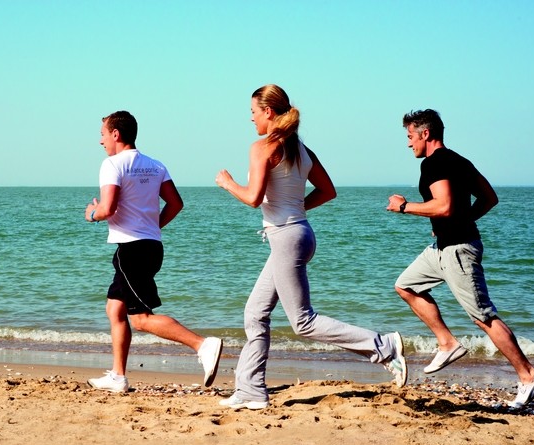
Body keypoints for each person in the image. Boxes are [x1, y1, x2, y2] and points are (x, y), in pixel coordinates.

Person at [214, 84, 407, 410]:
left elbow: (251, 198)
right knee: (255, 313)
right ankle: (251, 391)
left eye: (253, 112)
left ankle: (383, 345)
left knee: (302, 322)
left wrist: (227, 182)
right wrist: (295, 209)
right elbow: (327, 191)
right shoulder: (302, 150)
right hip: (297, 234)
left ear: (268, 112)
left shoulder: (262, 147)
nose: (251, 119)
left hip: (287, 238)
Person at [388, 109, 534, 409]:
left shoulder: (434, 164)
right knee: (406, 286)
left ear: (425, 134)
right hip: (444, 248)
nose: (409, 144)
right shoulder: (460, 161)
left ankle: (528, 375)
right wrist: (460, 220)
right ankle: (447, 343)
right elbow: (489, 198)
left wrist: (404, 207)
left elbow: (444, 206)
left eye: (410, 137)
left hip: (458, 250)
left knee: (483, 316)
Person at [85, 110, 223, 393]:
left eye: (102, 134)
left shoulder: (111, 165)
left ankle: (202, 345)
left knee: (140, 318)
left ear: (116, 134)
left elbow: (107, 208)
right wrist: (152, 226)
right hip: (151, 246)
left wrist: (91, 214)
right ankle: (118, 377)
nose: (100, 141)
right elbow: (176, 204)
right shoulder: (155, 165)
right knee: (115, 307)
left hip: (131, 250)